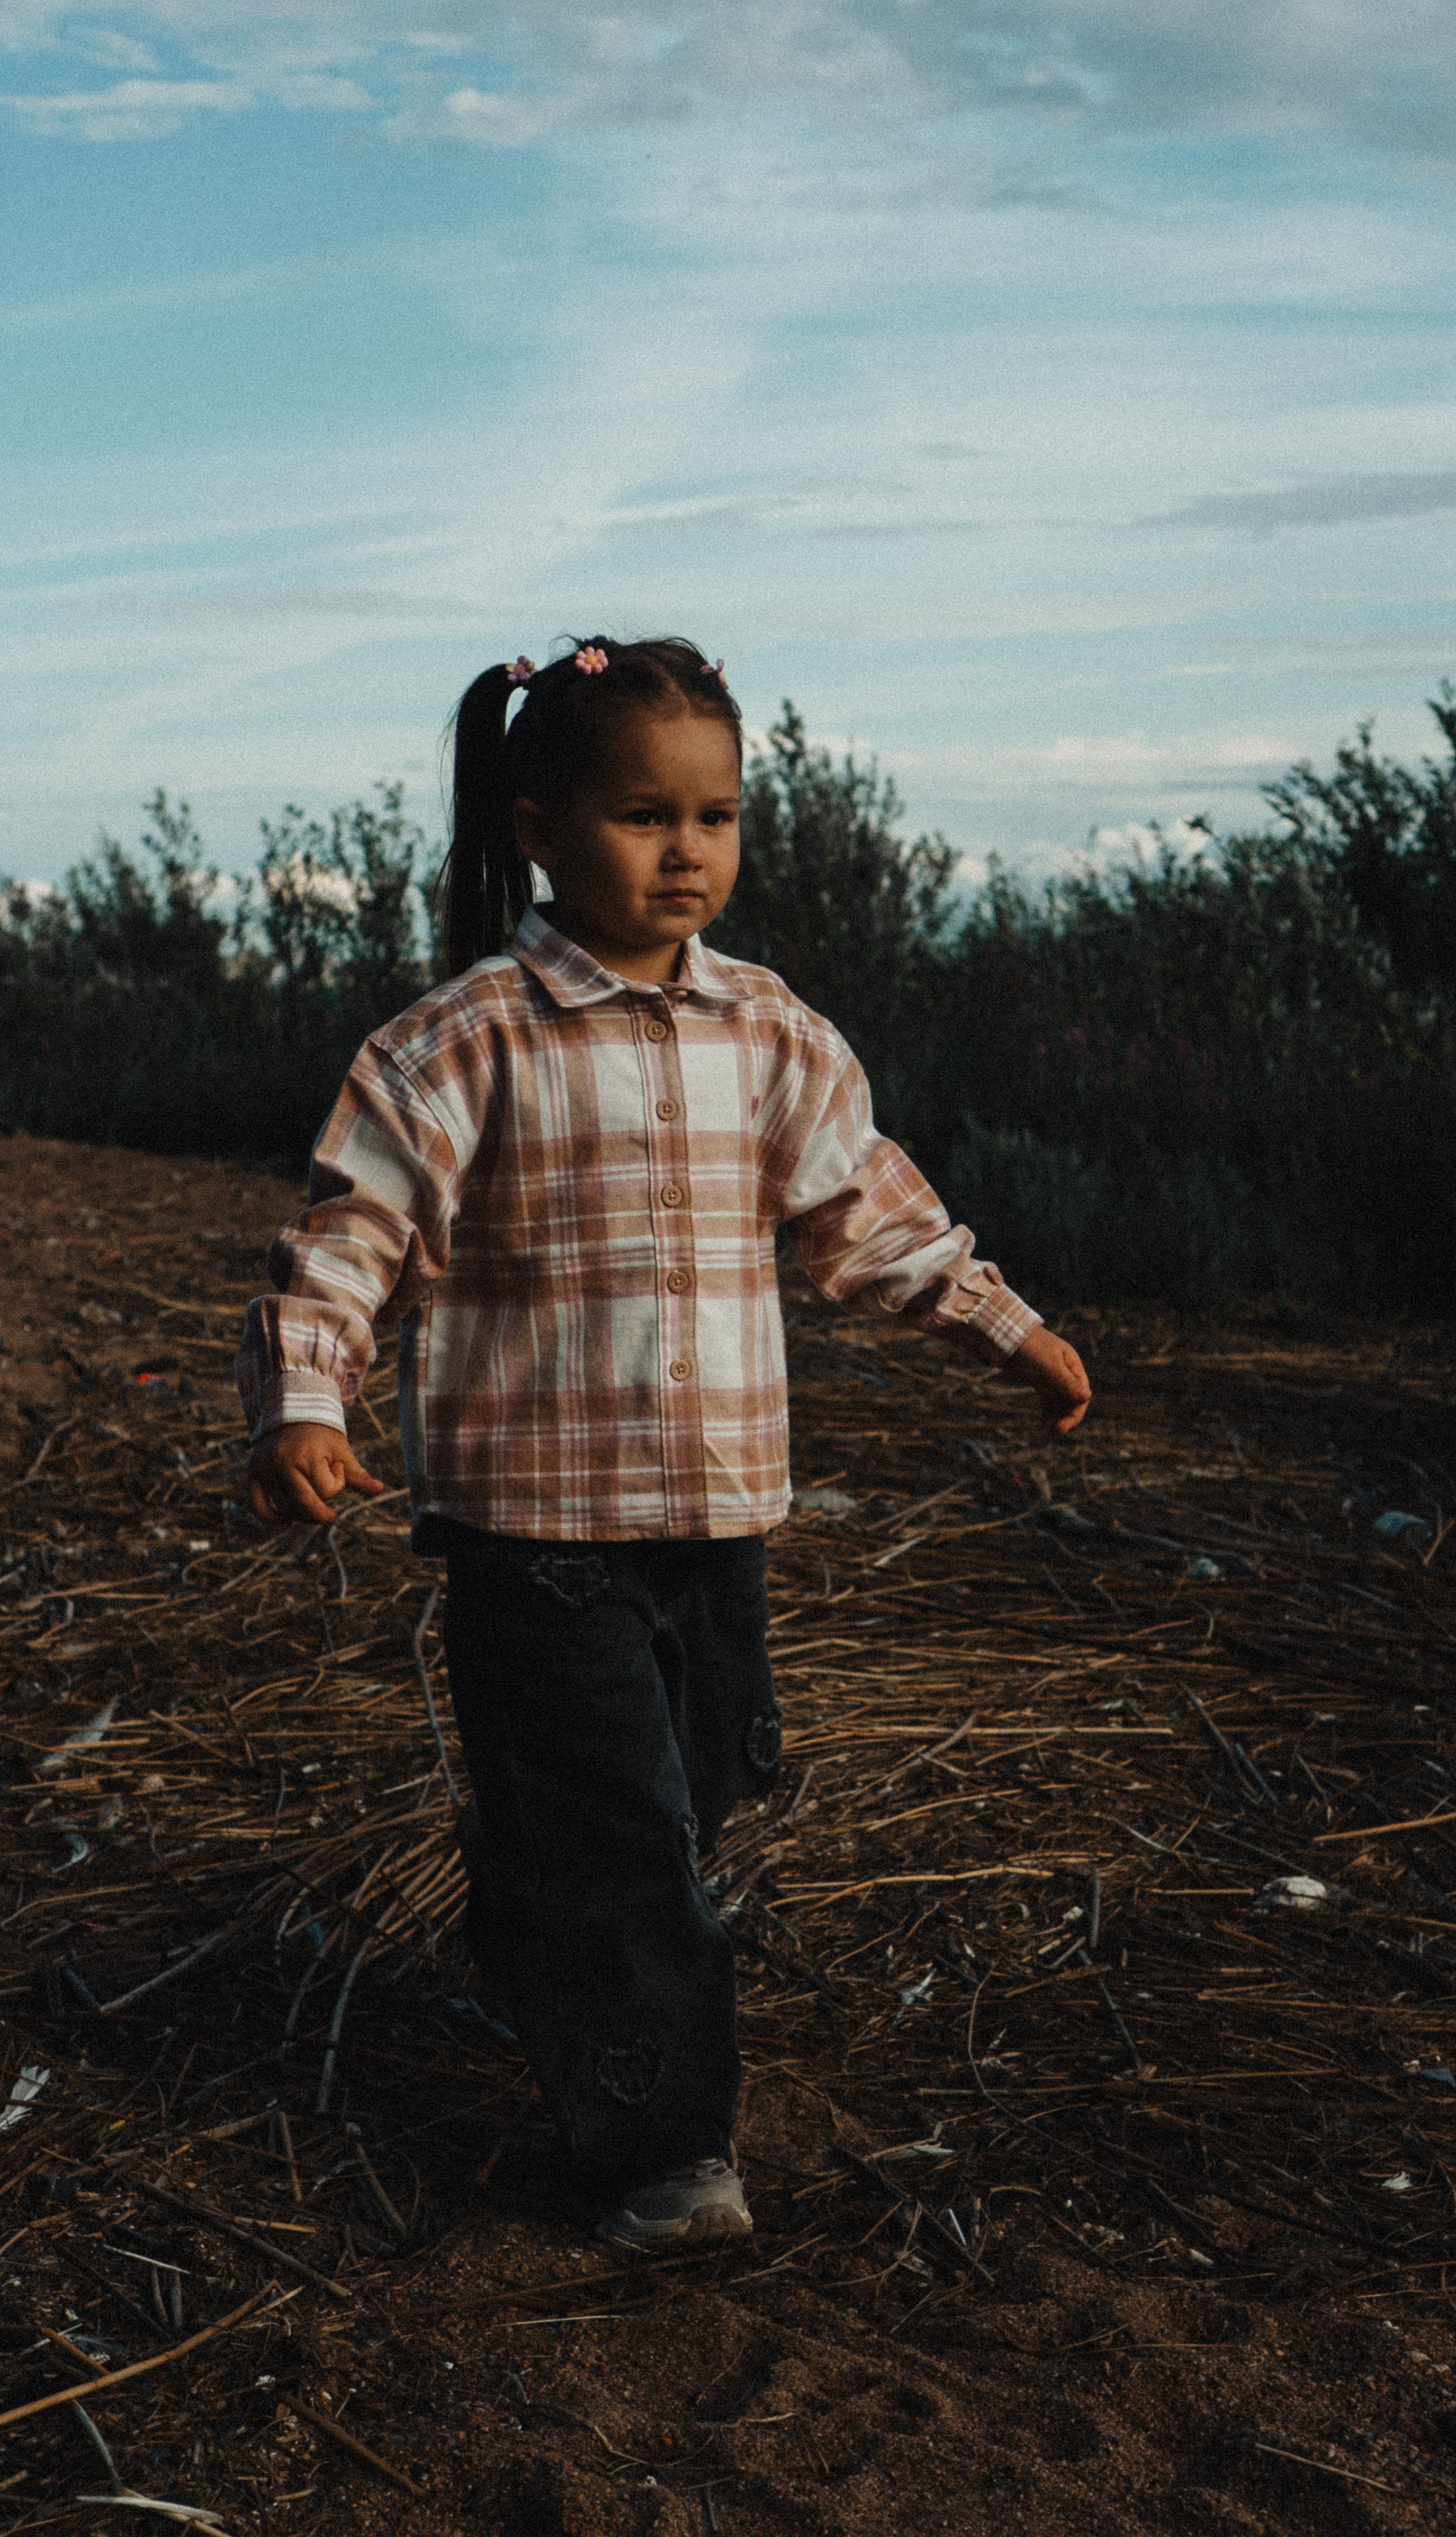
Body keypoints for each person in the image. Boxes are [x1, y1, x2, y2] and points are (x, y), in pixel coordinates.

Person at [238, 635, 1090, 2250]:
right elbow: (346, 1239)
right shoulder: (458, 1043)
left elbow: (870, 1216)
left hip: (713, 1520)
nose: (685, 848)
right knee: (625, 1841)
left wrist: (1005, 1325)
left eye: (715, 814)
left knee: (686, 1799)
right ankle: (665, 2154)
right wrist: (302, 1403)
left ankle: (543, 1907)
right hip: (531, 1531)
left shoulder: (768, 1033)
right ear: (537, 825)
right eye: (643, 815)